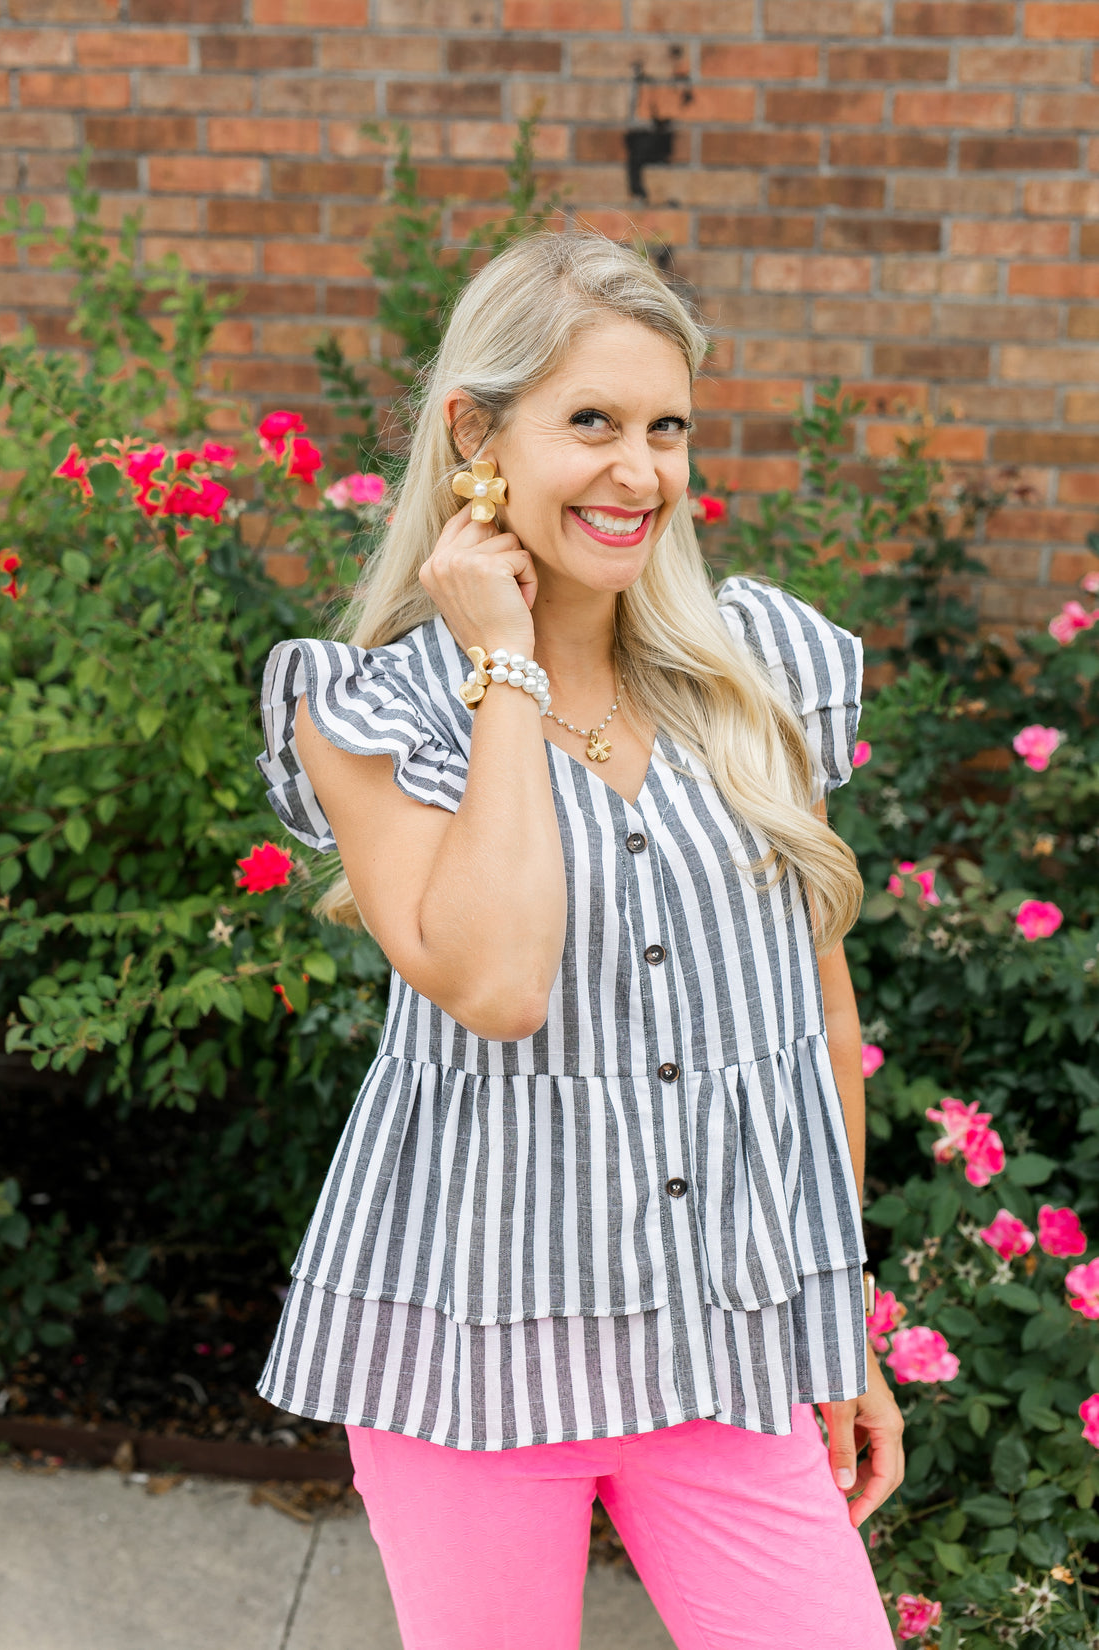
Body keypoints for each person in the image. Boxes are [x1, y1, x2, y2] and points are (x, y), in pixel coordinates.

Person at [254, 231, 904, 1650]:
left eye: (665, 428)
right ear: (477, 437)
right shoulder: (374, 711)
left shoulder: (757, 675)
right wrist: (501, 663)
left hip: (721, 1355)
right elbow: (494, 983)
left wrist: (837, 1317)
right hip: (465, 1360)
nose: (639, 472)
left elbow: (819, 1026)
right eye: (593, 423)